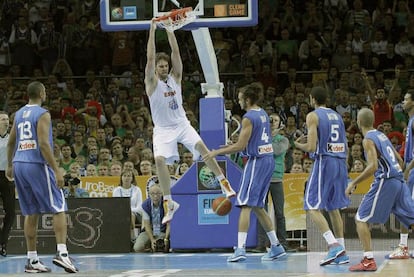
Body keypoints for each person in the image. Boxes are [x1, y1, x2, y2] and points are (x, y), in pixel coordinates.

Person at [144, 20, 235, 224]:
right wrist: (151, 30)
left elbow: (176, 54)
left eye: (165, 65)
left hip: (182, 124)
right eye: (161, 66)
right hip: (163, 129)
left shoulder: (175, 78)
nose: (164, 68)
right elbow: (150, 57)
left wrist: (170, 32)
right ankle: (170, 202)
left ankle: (224, 184)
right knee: (159, 160)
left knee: (203, 148)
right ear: (156, 69)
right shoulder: (151, 83)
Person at [203, 85, 286, 262]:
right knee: (257, 206)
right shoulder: (263, 113)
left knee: (245, 205)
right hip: (267, 159)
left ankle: (240, 249)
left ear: (248, 100)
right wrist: (230, 147)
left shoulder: (248, 117)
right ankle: (276, 246)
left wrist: (216, 153)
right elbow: (250, 141)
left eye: (240, 98)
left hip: (256, 162)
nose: (239, 101)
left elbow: (240, 146)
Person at [6, 81, 78, 273]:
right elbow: (44, 144)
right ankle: (62, 254)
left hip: (19, 163)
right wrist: (56, 170)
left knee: (31, 212)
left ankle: (32, 259)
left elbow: (10, 142)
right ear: (42, 93)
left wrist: (9, 165)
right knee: (59, 206)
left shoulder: (19, 114)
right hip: (37, 164)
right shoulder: (43, 113)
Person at [346, 108, 414, 272]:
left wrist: (353, 183)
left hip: (387, 180)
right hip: (398, 179)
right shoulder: (382, 135)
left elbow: (373, 166)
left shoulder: (368, 139)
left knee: (360, 218)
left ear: (359, 122)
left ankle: (368, 260)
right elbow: (399, 159)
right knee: (410, 218)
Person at [294, 86, 350, 265]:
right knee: (333, 207)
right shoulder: (337, 116)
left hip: (325, 161)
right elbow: (345, 142)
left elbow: (310, 147)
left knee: (311, 206)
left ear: (312, 99)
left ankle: (333, 245)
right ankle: (342, 250)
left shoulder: (313, 115)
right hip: (340, 161)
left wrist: (297, 145)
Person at [255, 113, 291, 252]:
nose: (272, 122)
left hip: (276, 178)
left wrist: (267, 138)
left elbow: (275, 151)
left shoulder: (283, 140)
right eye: (270, 120)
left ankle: (283, 243)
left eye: (275, 120)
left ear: (279, 124)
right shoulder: (260, 138)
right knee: (260, 211)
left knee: (279, 213)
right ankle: (261, 244)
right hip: (262, 178)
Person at [387, 89, 414, 259]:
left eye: (406, 99)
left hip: (413, 170)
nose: (403, 102)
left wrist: (407, 169)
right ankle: (403, 245)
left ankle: (403, 246)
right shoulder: (410, 122)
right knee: (406, 207)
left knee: (406, 207)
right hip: (411, 168)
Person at [133, 184, 170, 253]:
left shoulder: (166, 203)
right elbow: (146, 225)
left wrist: (166, 239)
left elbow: (169, 224)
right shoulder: (145, 205)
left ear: (162, 193)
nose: (155, 196)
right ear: (149, 194)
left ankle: (154, 246)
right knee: (137, 248)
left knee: (162, 248)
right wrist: (152, 239)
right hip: (149, 231)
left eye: (158, 193)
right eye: (152, 194)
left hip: (162, 231)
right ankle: (150, 247)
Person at [0, 111, 16, 257]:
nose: (6, 121)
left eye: (7, 119)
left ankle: (2, 243)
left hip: (8, 176)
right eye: (3, 119)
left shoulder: (13, 138)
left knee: (11, 212)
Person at [112, 170, 143, 243]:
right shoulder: (116, 190)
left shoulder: (137, 190)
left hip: (135, 214)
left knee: (131, 215)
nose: (126, 178)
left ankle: (132, 237)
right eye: (124, 176)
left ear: (132, 178)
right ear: (121, 178)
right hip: (120, 214)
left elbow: (139, 207)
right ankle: (128, 238)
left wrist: (129, 210)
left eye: (129, 176)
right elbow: (115, 206)